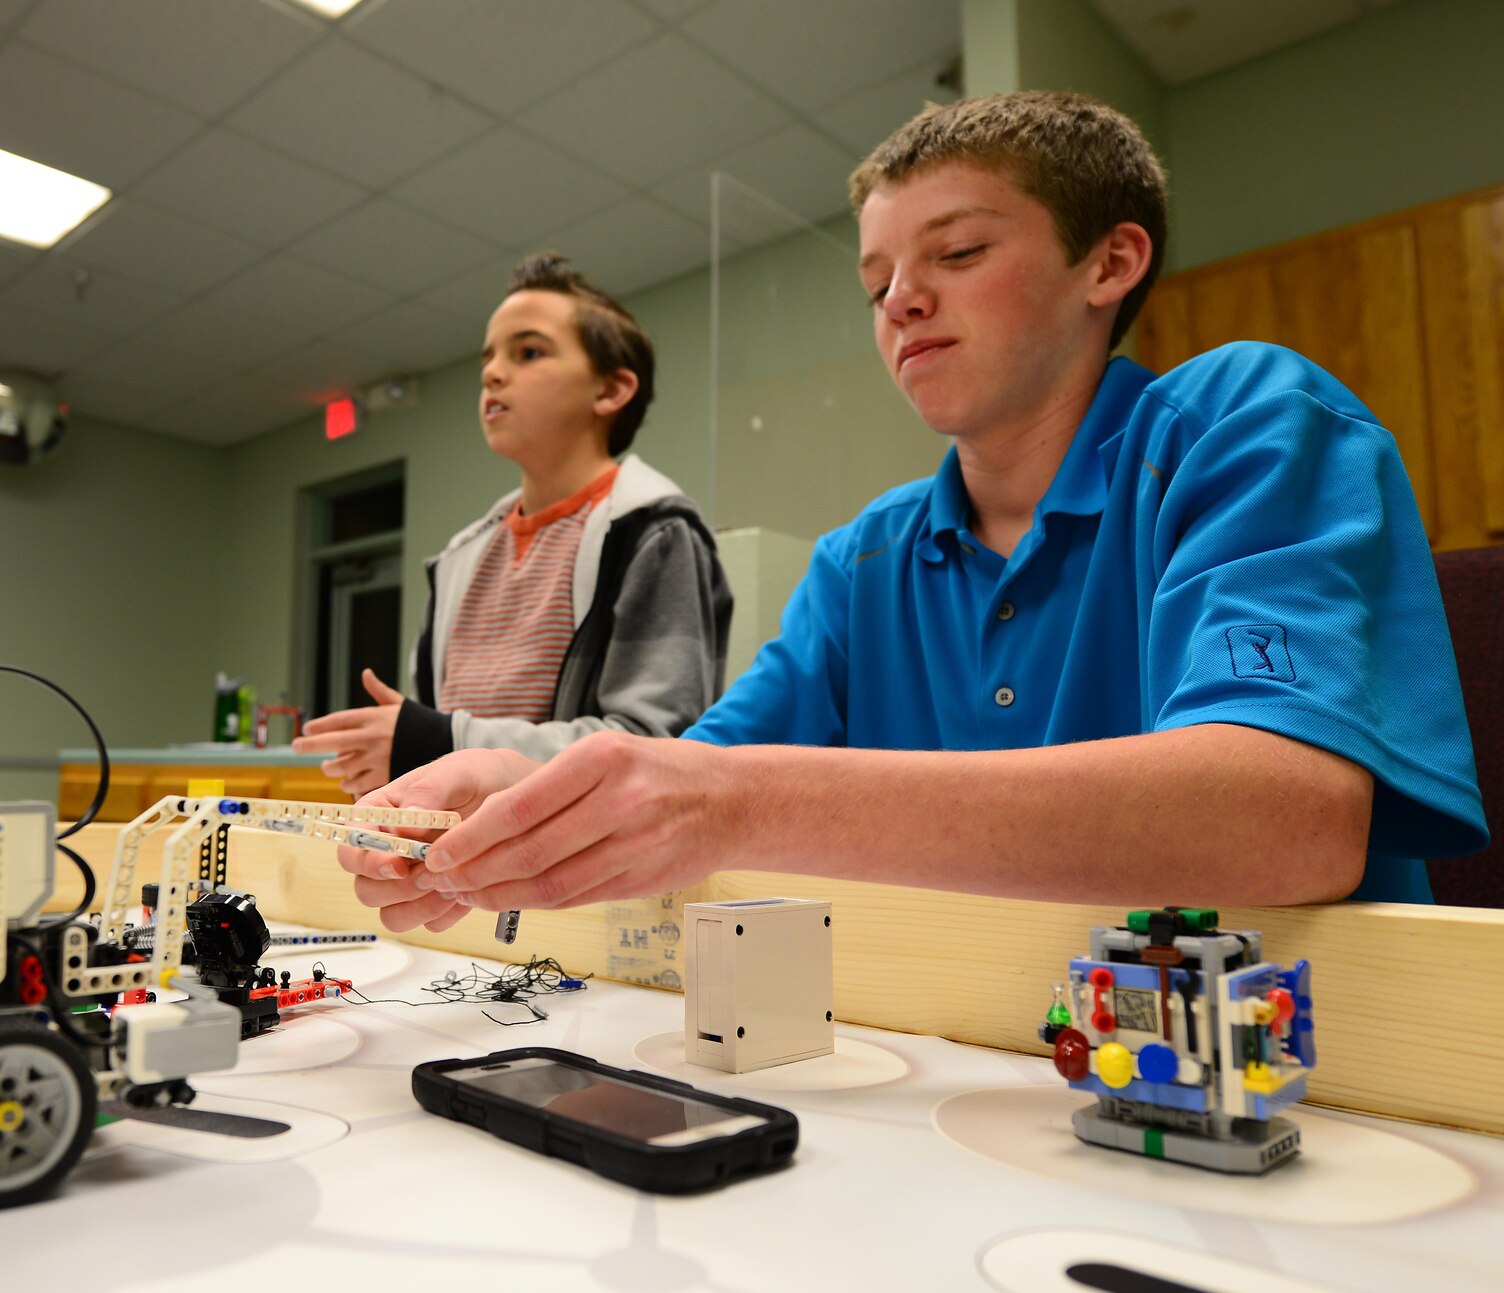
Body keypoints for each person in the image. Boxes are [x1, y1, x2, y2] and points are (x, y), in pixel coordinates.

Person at [335, 91, 1488, 934]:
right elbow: (693, 771)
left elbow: (1285, 818)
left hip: (1315, 1072)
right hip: (972, 1056)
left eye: (958, 250)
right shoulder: (864, 558)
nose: (901, 300)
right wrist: (515, 799)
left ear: (1109, 262)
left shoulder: (1242, 419)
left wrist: (716, 803)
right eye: (874, 278)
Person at [293, 254, 732, 799]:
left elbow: (654, 750)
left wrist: (437, 741)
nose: (492, 373)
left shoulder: (654, 534)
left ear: (611, 390)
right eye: (489, 358)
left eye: (528, 352)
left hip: (586, 879)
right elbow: (435, 745)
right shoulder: (459, 559)